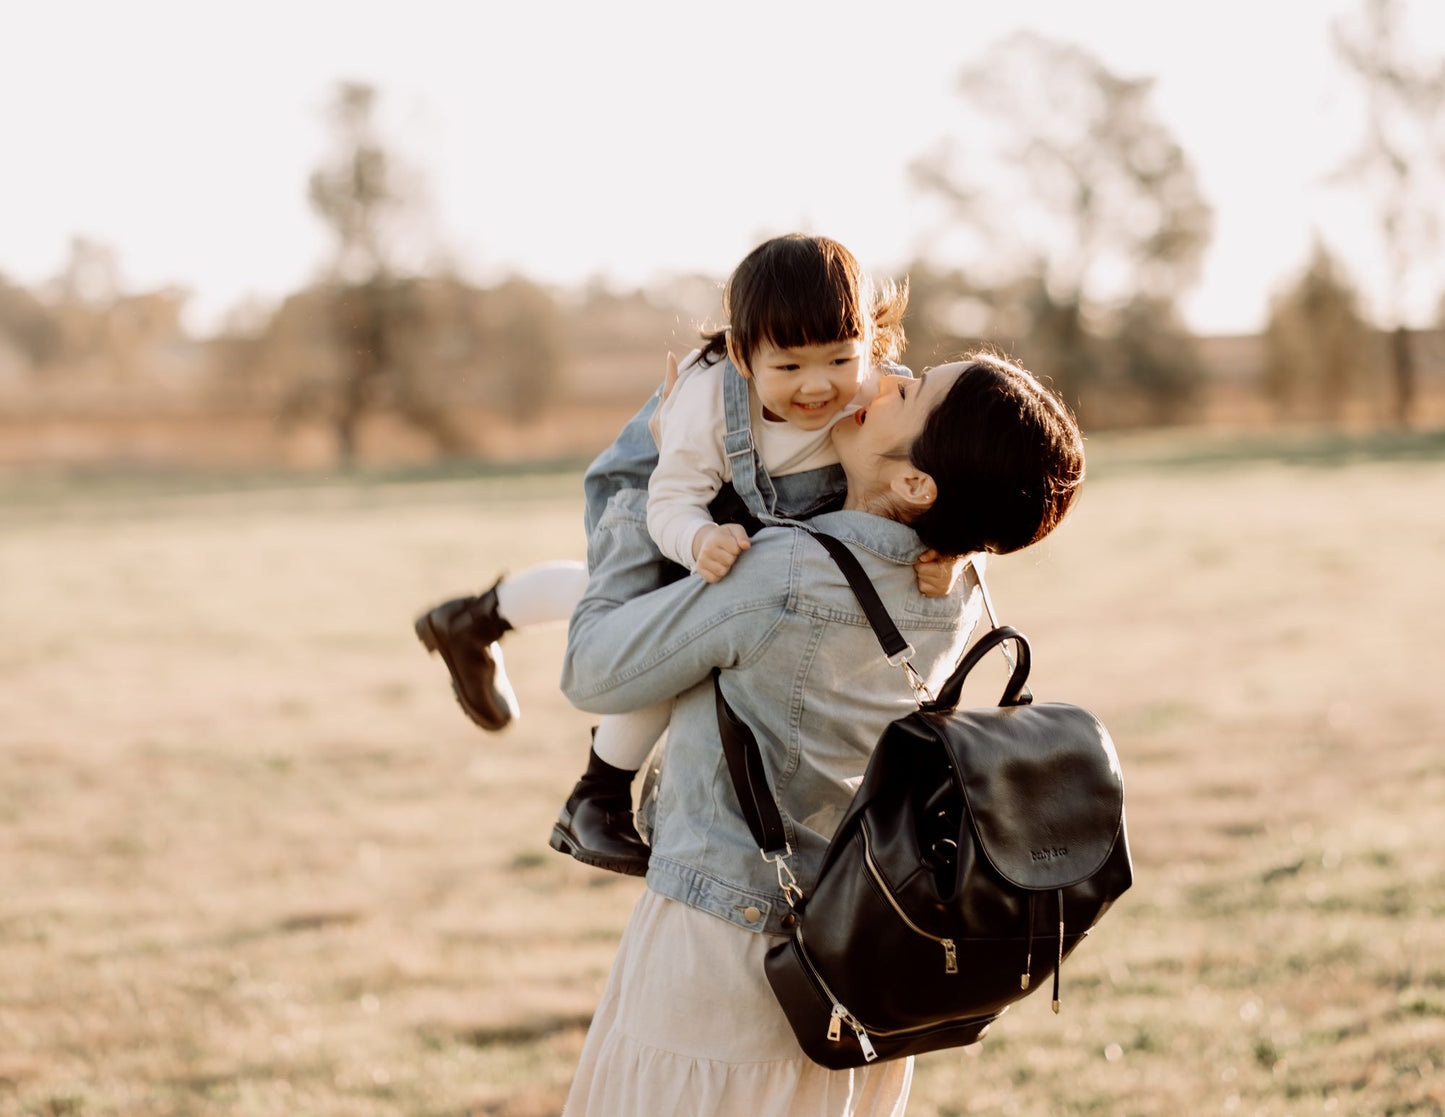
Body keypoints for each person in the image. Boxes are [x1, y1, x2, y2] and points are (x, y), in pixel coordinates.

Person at [556, 353, 1085, 1114]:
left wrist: (652, 461)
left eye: (914, 390)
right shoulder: (961, 579)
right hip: (866, 967)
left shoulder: (779, 573)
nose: (887, 375)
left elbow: (589, 670)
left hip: (722, 954)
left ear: (916, 484)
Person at [415, 235, 959, 876]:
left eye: (840, 359)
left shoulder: (882, 394)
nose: (818, 387)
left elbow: (933, 470)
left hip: (750, 510)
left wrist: (947, 545)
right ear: (742, 355)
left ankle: (477, 617)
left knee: (675, 614)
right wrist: (698, 539)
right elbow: (671, 503)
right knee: (663, 624)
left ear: (870, 341)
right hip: (656, 493)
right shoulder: (706, 404)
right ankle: (598, 795)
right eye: (788, 368)